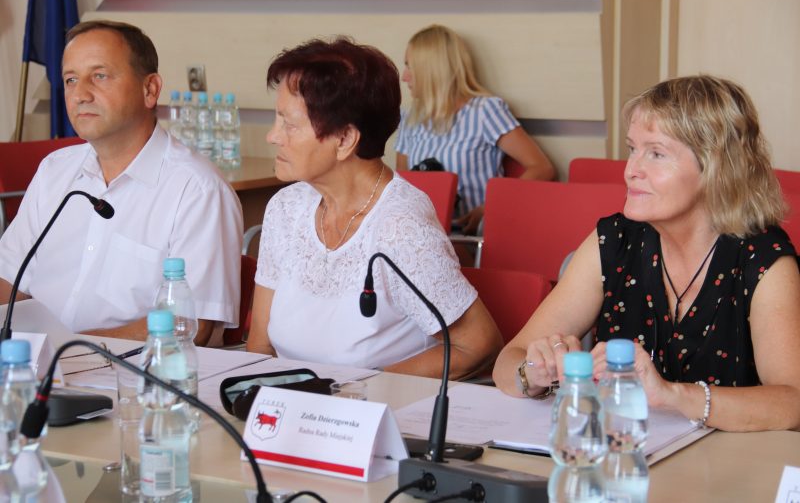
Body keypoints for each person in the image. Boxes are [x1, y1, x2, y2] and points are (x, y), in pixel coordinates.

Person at [493, 75, 800, 432]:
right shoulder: (615, 240)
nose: (630, 171)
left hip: (732, 461)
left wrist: (672, 395)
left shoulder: (763, 259)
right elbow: (507, 363)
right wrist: (533, 373)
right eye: (632, 149)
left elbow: (792, 402)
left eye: (656, 153)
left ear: (717, 169)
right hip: (624, 450)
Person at [246, 37, 503, 378]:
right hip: (290, 401)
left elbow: (478, 345)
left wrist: (362, 389)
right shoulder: (285, 208)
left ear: (345, 139)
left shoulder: (400, 227)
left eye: (289, 124)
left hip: (376, 407)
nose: (273, 136)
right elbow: (260, 345)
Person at [0, 20, 243, 344]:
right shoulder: (54, 170)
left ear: (150, 89)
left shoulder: (197, 190)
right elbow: (8, 278)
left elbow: (190, 324)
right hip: (33, 362)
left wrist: (70, 350)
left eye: (99, 76)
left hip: (126, 368)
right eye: (71, 79)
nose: (80, 94)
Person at [395, 24, 555, 234]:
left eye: (410, 67)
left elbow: (542, 168)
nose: (404, 77)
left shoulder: (484, 111)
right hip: (423, 234)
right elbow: (402, 187)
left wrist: (490, 208)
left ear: (432, 70)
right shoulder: (410, 119)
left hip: (468, 235)